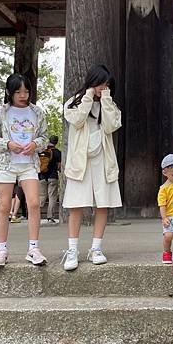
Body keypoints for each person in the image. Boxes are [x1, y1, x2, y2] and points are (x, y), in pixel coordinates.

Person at [61, 65, 123, 272]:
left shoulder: (109, 104)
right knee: (76, 206)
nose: (103, 87)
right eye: (100, 83)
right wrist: (87, 96)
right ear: (92, 81)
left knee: (102, 205)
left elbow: (111, 126)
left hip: (103, 161)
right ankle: (72, 250)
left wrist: (105, 99)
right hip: (81, 162)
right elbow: (77, 120)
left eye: (106, 84)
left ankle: (96, 248)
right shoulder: (73, 102)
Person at [0, 73, 49, 268]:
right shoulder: (1, 113)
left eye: (26, 91)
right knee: (4, 206)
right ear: (9, 92)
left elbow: (45, 137)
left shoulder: (37, 112)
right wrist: (8, 143)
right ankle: (1, 250)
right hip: (6, 164)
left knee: (34, 203)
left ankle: (33, 248)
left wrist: (35, 144)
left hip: (29, 163)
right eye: (18, 92)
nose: (23, 95)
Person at [38, 134, 61, 224]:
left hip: (42, 177)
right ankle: (50, 216)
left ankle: (36, 215)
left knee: (42, 196)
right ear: (56, 142)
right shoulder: (58, 152)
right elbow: (59, 166)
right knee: (52, 197)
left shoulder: (42, 151)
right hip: (53, 177)